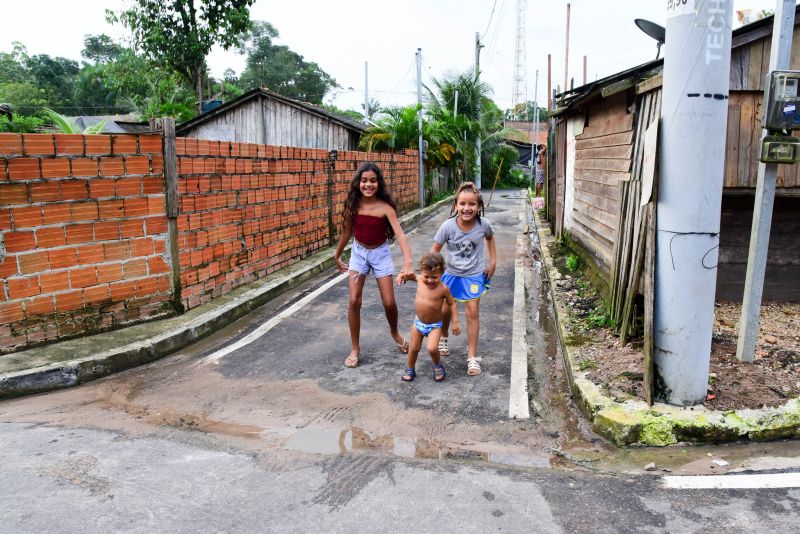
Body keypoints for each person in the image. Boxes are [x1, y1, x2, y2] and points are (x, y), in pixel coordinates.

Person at [334, 162, 414, 368]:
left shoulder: (386, 207)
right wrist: (337, 255)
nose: (368, 185)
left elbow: (400, 234)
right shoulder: (353, 205)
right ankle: (354, 349)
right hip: (359, 253)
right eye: (364, 181)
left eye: (372, 180)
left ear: (378, 183)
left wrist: (408, 262)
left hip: (380, 253)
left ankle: (395, 332)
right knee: (354, 300)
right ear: (358, 183)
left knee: (389, 302)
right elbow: (346, 231)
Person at [431, 182, 496, 376]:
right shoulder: (448, 227)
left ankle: (471, 357)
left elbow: (490, 238)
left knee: (473, 311)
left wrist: (492, 262)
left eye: (472, 204)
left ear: (479, 206)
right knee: (444, 310)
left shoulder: (484, 225)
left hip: (474, 274)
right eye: (462, 204)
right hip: (450, 274)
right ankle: (443, 337)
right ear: (455, 205)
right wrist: (431, 276)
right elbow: (434, 251)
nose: (467, 208)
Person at [395, 252, 461, 382]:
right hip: (418, 323)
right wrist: (400, 276)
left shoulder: (443, 289)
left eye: (434, 277)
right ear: (422, 272)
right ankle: (410, 368)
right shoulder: (419, 279)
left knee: (431, 348)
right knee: (413, 348)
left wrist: (455, 322)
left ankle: (437, 365)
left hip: (435, 326)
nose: (430, 280)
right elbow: (407, 275)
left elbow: (452, 304)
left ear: (442, 274)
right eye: (427, 276)